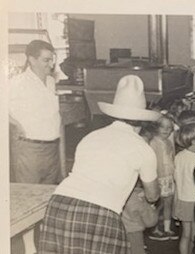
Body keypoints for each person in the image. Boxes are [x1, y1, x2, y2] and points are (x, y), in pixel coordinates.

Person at [38, 75, 161, 253]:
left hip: (60, 204)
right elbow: (153, 195)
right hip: (99, 212)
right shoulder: (143, 148)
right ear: (143, 121)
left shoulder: (91, 137)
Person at [9, 40, 61, 184]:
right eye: (46, 60)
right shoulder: (18, 83)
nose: (51, 65)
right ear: (32, 60)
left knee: (47, 194)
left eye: (52, 60)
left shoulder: (51, 81)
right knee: (29, 194)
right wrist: (16, 124)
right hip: (29, 150)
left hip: (52, 149)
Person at [173, 123, 195, 254]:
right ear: (194, 141)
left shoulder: (178, 157)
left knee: (185, 235)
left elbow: (176, 180)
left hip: (182, 199)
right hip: (194, 201)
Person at [148, 116, 179, 241]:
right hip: (158, 178)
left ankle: (167, 228)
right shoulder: (153, 142)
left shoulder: (169, 143)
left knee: (168, 203)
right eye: (163, 127)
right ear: (156, 128)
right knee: (158, 204)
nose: (166, 130)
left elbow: (172, 158)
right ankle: (154, 228)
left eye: (169, 128)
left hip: (169, 177)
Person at [121, 183, 159, 254]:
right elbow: (150, 221)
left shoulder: (116, 194)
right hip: (135, 234)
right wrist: (150, 206)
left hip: (119, 231)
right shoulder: (136, 197)